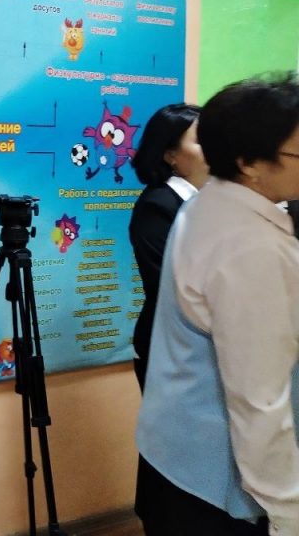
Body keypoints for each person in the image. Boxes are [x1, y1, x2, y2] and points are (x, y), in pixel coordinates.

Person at [136, 76, 299, 536]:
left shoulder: (211, 203)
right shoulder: (250, 246)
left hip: (178, 455)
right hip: (220, 480)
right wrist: (288, 511)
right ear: (249, 162)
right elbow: (258, 398)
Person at [128, 102, 207, 390]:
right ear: (170, 154)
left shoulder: (211, 201)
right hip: (170, 346)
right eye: (201, 140)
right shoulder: (157, 206)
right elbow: (169, 284)